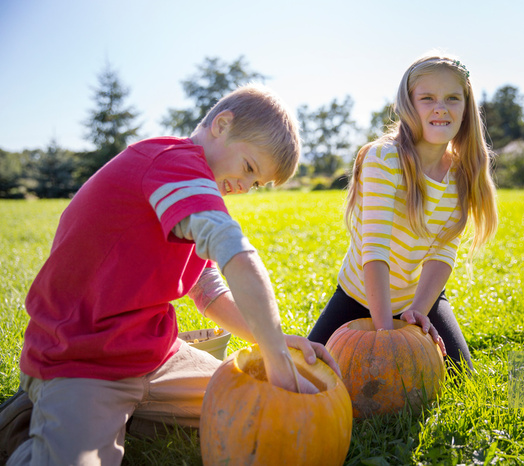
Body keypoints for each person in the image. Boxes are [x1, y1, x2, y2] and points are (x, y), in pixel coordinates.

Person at [0, 83, 339, 465]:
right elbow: (235, 253)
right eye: (248, 168)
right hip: (81, 357)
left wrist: (272, 339)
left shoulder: (190, 192)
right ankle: (38, 415)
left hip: (153, 355)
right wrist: (277, 357)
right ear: (221, 125)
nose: (244, 188)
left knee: (252, 408)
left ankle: (123, 415)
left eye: (255, 183)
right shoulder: (171, 164)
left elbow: (208, 290)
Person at [308, 54, 498, 373]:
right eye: (427, 99)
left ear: (466, 108)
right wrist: (386, 335)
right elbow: (376, 251)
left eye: (453, 98)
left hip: (419, 297)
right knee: (312, 368)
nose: (441, 107)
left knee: (460, 375)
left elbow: (442, 252)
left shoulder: (462, 173)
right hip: (360, 294)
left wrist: (416, 314)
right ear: (408, 105)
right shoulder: (384, 159)